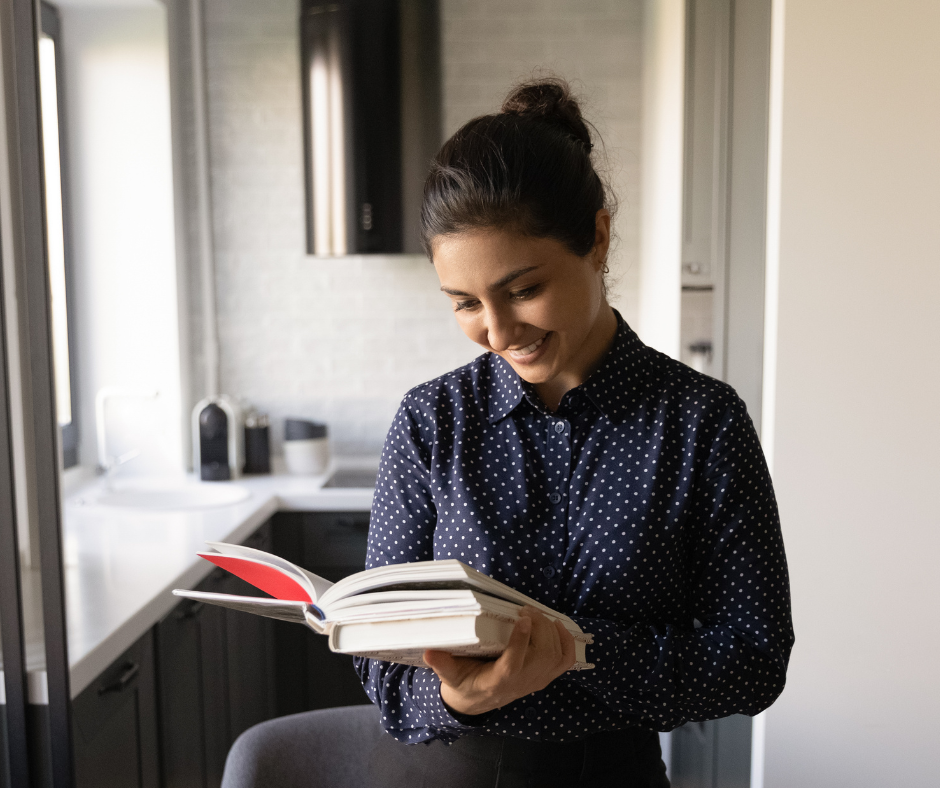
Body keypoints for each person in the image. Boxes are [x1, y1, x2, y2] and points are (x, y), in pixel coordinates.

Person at [355, 77, 793, 788]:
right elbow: (380, 670)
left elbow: (753, 660)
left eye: (524, 290)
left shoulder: (701, 423)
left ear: (596, 236)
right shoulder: (431, 422)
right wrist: (459, 697)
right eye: (465, 303)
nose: (497, 333)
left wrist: (578, 652)